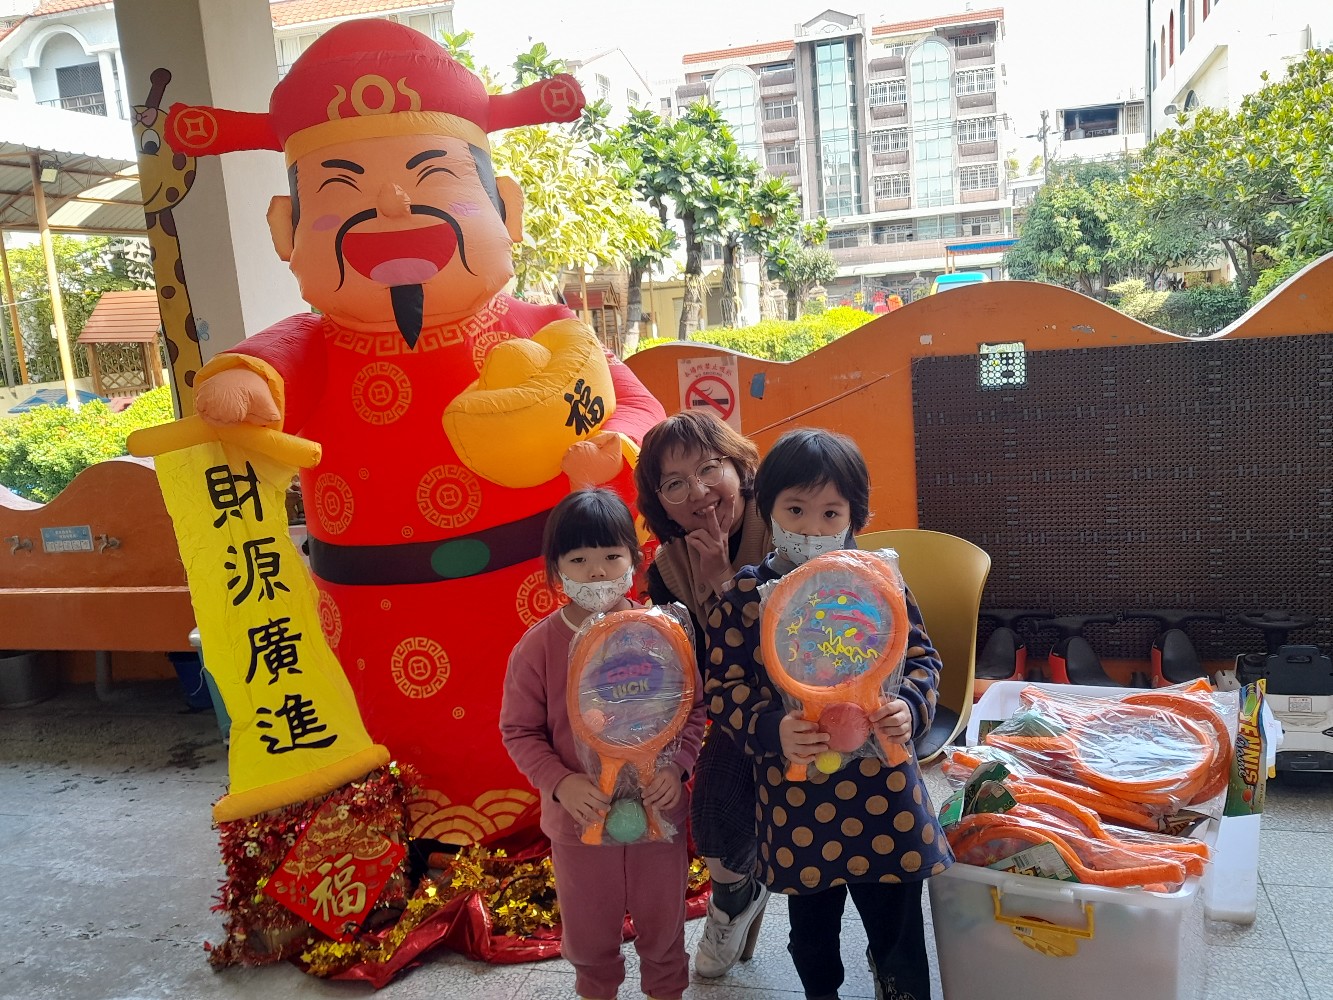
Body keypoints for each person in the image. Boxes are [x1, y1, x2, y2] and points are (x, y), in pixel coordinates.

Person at [170, 20, 665, 843]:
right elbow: (261, 371)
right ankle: (418, 844)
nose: (394, 206)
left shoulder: (547, 334)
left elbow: (638, 409)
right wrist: (243, 385)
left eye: (434, 176)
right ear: (286, 230)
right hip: (376, 625)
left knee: (559, 729)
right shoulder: (315, 348)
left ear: (505, 209)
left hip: (543, 599)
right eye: (343, 188)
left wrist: (614, 448)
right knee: (402, 767)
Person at [704, 428, 953, 1000]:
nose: (812, 527)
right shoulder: (744, 598)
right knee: (812, 933)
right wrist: (773, 729)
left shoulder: (877, 584)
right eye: (795, 509)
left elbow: (920, 658)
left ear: (853, 517)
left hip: (885, 788)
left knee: (897, 922)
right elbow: (723, 690)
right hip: (797, 796)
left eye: (830, 512)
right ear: (767, 510)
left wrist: (909, 708)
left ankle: (899, 985)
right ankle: (821, 991)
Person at [500, 489, 706, 1000]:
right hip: (580, 825)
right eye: (578, 560)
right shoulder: (537, 648)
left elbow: (693, 710)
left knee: (664, 928)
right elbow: (519, 731)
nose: (596, 572)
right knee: (589, 938)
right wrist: (560, 782)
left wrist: (678, 766)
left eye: (611, 556)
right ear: (556, 569)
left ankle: (667, 989)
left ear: (635, 560)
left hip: (659, 814)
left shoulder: (662, 634)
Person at [634, 410, 772, 978]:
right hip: (741, 712)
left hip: (820, 704)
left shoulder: (787, 519)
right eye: (675, 484)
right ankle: (737, 895)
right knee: (712, 814)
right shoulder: (668, 569)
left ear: (740, 467)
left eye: (710, 468)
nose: (698, 492)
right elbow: (703, 669)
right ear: (661, 504)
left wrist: (724, 580)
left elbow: (799, 641)